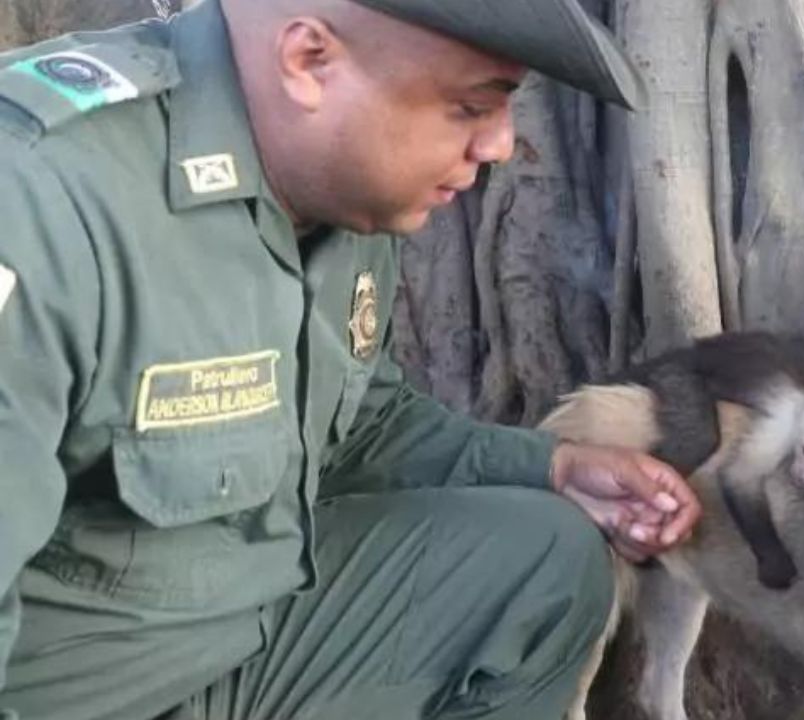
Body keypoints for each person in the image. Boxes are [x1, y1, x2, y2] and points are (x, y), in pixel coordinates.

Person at [0, 1, 703, 718]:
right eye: (468, 107)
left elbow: (353, 421)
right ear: (309, 61)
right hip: (74, 690)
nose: (500, 144)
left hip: (244, 639)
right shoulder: (41, 204)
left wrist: (551, 466)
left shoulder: (338, 191)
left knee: (547, 563)